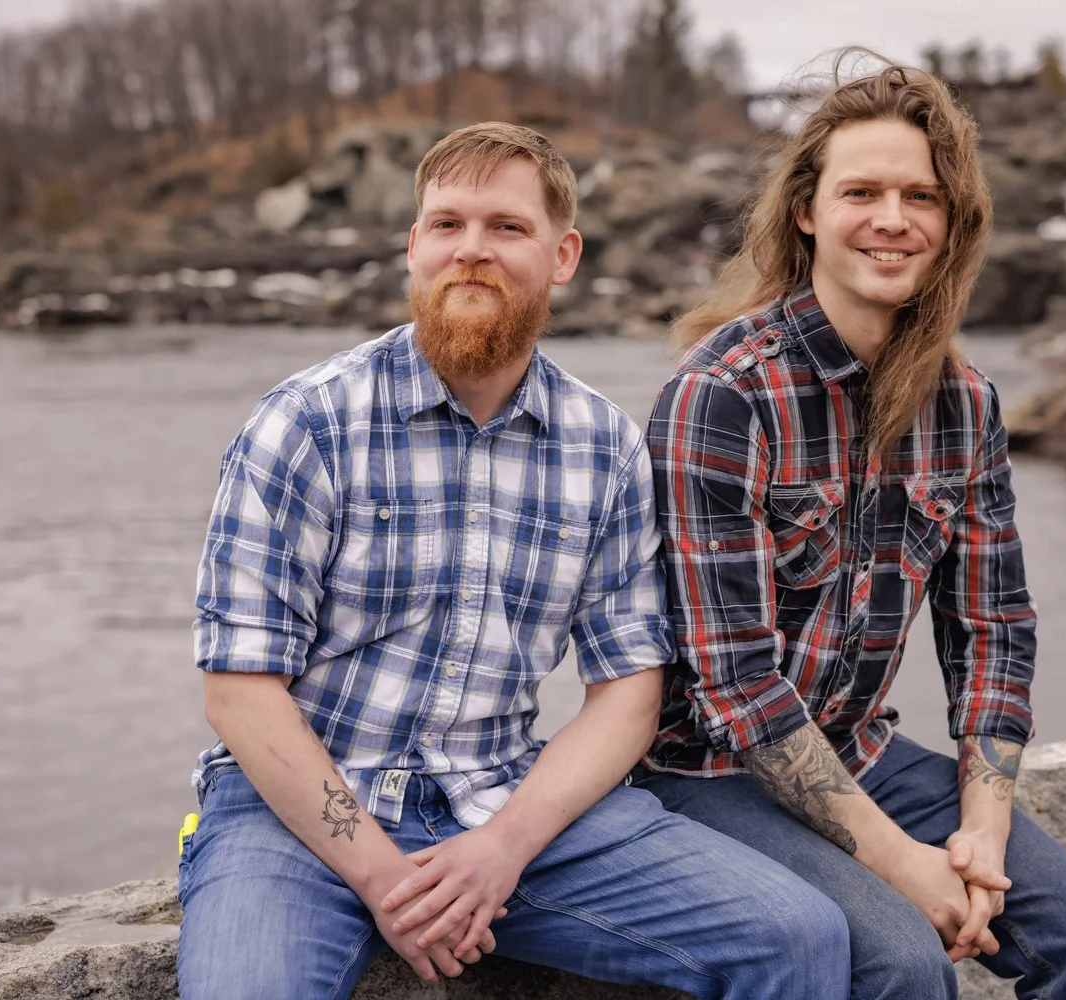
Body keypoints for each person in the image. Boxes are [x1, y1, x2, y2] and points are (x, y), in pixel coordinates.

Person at [175, 121, 850, 1000]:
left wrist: (502, 848)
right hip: (293, 815)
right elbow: (239, 689)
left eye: (506, 227)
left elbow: (629, 691)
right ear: (414, 245)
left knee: (798, 937)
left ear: (563, 254)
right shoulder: (306, 424)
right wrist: (387, 880)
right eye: (447, 226)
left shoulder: (601, 446)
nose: (471, 252)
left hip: (504, 799)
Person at [634, 54, 1066, 1000]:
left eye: (922, 196)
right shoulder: (723, 397)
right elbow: (735, 688)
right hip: (703, 773)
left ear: (952, 223)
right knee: (903, 960)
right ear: (806, 211)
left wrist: (982, 825)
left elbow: (994, 629)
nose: (892, 219)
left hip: (859, 746)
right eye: (861, 191)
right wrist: (904, 864)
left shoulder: (963, 403)